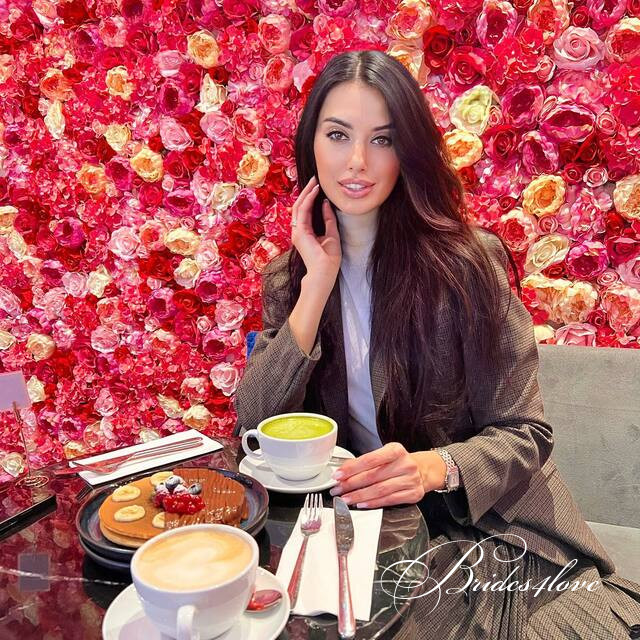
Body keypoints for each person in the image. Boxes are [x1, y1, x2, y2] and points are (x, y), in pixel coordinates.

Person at [234, 49, 640, 639]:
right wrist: (317, 284)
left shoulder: (468, 265)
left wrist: (433, 467)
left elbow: (525, 432)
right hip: (366, 533)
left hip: (486, 527)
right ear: (311, 143)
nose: (356, 161)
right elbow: (256, 422)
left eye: (382, 139)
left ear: (409, 151)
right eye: (338, 135)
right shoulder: (290, 280)